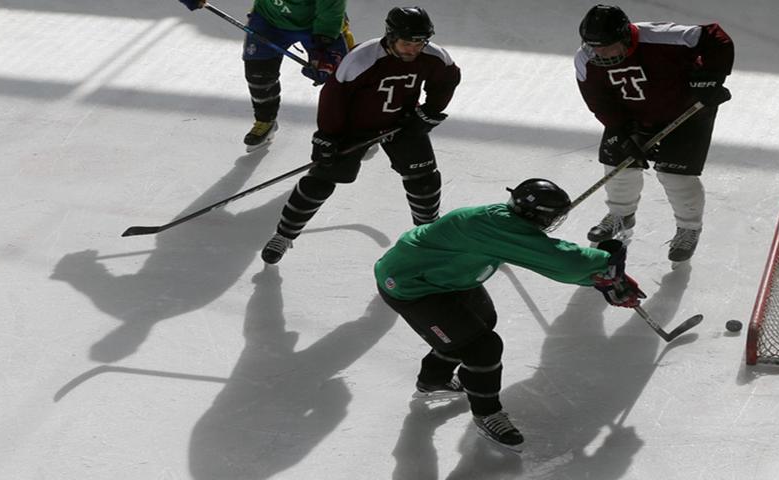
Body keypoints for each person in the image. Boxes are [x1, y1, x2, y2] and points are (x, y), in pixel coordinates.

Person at [373, 179, 646, 450]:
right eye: (551, 217)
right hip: (412, 286)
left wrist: (603, 276)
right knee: (483, 347)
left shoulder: (501, 221)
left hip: (446, 277)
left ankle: (434, 379)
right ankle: (487, 414)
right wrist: (607, 268)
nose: (552, 223)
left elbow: (543, 253)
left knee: (480, 324)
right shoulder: (499, 229)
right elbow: (560, 260)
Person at [260, 6, 460, 264]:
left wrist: (429, 111)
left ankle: (428, 234)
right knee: (320, 181)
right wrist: (327, 136)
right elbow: (333, 97)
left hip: (402, 123)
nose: (413, 49)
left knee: (424, 180)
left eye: (419, 43)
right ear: (390, 36)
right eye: (407, 43)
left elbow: (447, 79)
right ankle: (283, 235)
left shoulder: (434, 57)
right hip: (354, 127)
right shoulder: (362, 58)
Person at [573, 4, 734, 262]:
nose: (600, 53)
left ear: (625, 36)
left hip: (688, 113)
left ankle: (689, 228)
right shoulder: (586, 59)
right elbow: (599, 101)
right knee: (618, 164)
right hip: (633, 117)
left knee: (675, 175)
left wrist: (711, 78)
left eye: (607, 47)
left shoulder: (663, 37)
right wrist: (619, 131)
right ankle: (621, 214)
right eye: (594, 47)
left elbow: (715, 37)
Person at [179, 0, 354, 150]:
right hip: (269, 20)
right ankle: (265, 121)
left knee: (341, 75)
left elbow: (331, 8)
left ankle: (356, 123)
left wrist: (324, 43)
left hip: (319, 22)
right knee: (258, 74)